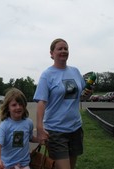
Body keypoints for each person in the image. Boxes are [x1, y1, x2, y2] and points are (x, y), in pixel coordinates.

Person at [33, 38, 93, 169]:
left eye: (66, 48)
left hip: (75, 128)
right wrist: (40, 129)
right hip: (56, 131)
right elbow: (41, 103)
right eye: (59, 49)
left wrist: (88, 93)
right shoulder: (47, 75)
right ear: (51, 53)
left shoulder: (75, 71)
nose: (63, 51)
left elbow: (82, 96)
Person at [0, 88, 39, 169]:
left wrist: (40, 140)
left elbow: (30, 137)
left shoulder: (28, 123)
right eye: (14, 105)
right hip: (8, 165)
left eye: (20, 104)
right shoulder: (4, 125)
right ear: (8, 107)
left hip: (24, 165)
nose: (18, 107)